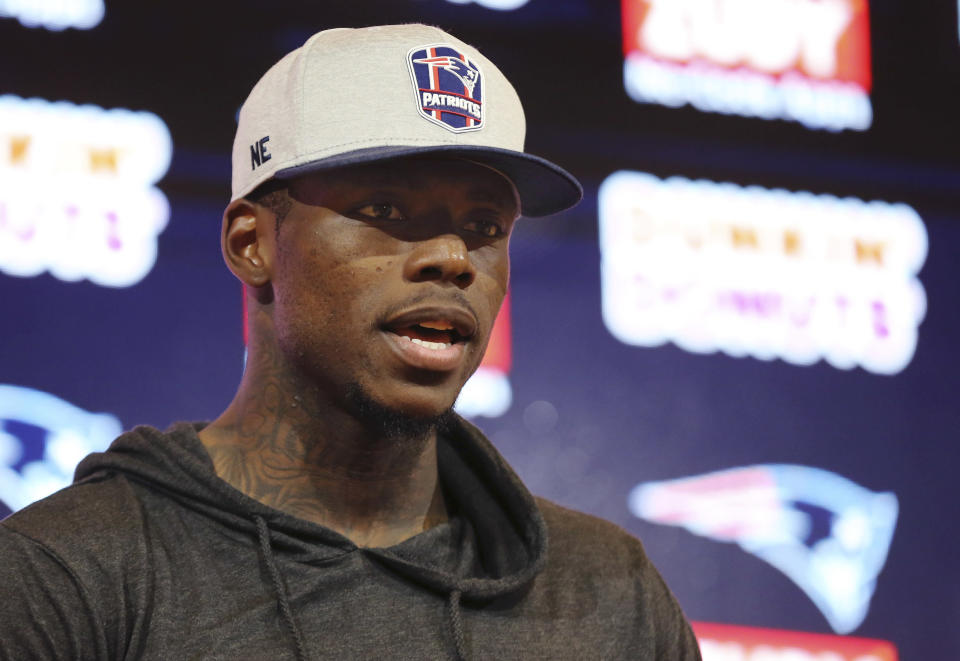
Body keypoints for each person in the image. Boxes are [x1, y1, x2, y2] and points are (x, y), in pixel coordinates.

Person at [0, 24, 702, 660]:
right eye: (386, 209)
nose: (454, 257)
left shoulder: (611, 598)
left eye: (486, 224)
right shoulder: (71, 575)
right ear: (252, 245)